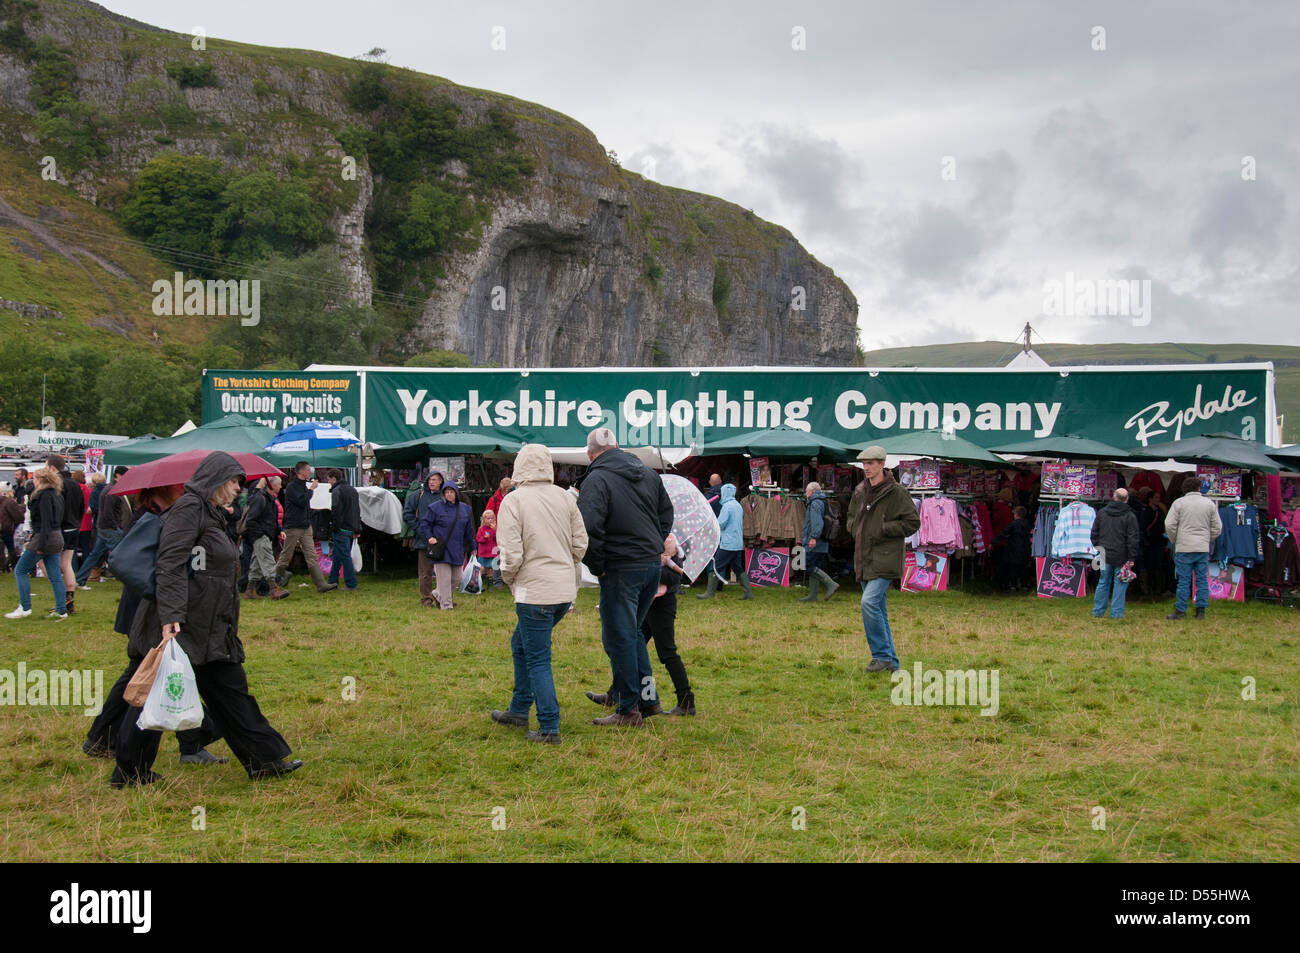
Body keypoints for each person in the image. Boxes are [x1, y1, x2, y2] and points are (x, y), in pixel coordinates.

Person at [111, 452, 301, 787]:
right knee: (153, 695)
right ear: (214, 479)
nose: (235, 489)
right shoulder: (188, 509)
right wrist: (170, 616)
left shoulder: (209, 513)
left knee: (231, 692)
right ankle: (130, 771)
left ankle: (264, 760)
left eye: (238, 483)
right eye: (232, 482)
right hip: (182, 622)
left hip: (210, 624)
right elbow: (169, 563)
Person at [83, 482, 227, 766]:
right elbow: (140, 563)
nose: (185, 490)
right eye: (179, 487)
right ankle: (191, 739)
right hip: (151, 606)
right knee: (150, 673)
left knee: (157, 670)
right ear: (163, 490)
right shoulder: (153, 518)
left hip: (157, 603)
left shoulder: (163, 515)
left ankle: (106, 738)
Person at [489, 444, 588, 742]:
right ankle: (519, 709)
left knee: (537, 658)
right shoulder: (565, 497)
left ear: (519, 466)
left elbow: (510, 552)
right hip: (562, 591)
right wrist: (562, 566)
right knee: (521, 644)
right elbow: (580, 544)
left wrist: (509, 578)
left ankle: (548, 726)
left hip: (534, 592)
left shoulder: (513, 501)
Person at [576, 427, 674, 726]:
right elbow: (666, 515)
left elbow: (588, 527)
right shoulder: (647, 473)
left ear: (591, 454)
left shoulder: (597, 478)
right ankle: (643, 699)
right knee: (630, 634)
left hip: (621, 566)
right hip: (649, 563)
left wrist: (598, 564)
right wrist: (653, 545)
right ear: (617, 446)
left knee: (620, 637)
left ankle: (629, 709)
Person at [587, 532, 696, 716]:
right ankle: (616, 693)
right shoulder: (647, 536)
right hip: (646, 602)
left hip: (662, 605)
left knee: (667, 652)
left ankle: (686, 701)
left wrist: (654, 568)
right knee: (630, 650)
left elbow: (676, 578)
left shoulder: (669, 541)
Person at [846, 446, 920, 673]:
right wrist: (855, 529)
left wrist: (883, 528)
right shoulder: (860, 490)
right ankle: (892, 663)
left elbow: (912, 523)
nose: (866, 468)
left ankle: (880, 656)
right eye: (864, 464)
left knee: (868, 603)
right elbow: (850, 518)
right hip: (864, 555)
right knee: (878, 609)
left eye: (870, 463)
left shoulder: (897, 492)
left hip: (886, 557)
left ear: (881, 464)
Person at [5, 466, 67, 620]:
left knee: (20, 570)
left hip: (44, 537)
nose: (32, 481)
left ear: (40, 480)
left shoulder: (43, 496)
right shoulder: (57, 494)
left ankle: (25, 607)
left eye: (34, 478)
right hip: (57, 536)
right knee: (55, 576)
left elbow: (45, 521)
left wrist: (40, 545)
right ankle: (61, 609)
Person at [1164, 475, 1223, 621]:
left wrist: (1175, 540)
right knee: (1202, 579)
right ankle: (1201, 610)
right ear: (1199, 487)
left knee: (1184, 580)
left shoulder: (1179, 503)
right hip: (1202, 547)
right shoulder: (1209, 503)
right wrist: (1208, 539)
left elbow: (1169, 524)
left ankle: (1181, 610)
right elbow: (1217, 527)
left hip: (1184, 546)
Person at [274, 461, 336, 593]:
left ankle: (321, 584)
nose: (310, 472)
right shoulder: (292, 487)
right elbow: (302, 501)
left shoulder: (302, 486)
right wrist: (312, 489)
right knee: (286, 556)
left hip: (305, 526)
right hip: (293, 526)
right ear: (301, 472)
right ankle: (273, 582)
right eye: (308, 470)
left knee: (311, 555)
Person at [418, 480, 475, 609]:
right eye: (446, 492)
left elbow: (469, 530)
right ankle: (446, 605)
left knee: (457, 577)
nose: (449, 494)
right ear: (443, 493)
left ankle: (437, 594)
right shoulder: (435, 507)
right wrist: (430, 537)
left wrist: (473, 546)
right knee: (444, 579)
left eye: (451, 492)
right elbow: (425, 524)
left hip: (457, 549)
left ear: (456, 493)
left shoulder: (465, 509)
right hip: (441, 549)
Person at [74, 467, 132, 588]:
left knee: (94, 555)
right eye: (124, 475)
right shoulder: (112, 490)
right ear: (117, 475)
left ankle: (80, 579)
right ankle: (131, 581)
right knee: (121, 554)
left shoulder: (110, 489)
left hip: (103, 527)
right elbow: (108, 512)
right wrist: (116, 527)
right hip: (109, 528)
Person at [1091, 487, 1141, 619]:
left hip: (1103, 552)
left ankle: (1098, 611)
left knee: (1103, 582)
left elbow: (1094, 533)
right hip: (1122, 554)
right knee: (1120, 582)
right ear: (1127, 499)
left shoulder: (1102, 512)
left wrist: (1098, 547)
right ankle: (1116, 613)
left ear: (1114, 497)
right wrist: (1131, 557)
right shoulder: (1130, 516)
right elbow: (1133, 538)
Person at [697, 483, 751, 599]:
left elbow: (720, 523)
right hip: (737, 543)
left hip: (728, 543)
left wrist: (711, 521)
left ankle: (709, 593)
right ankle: (748, 593)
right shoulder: (737, 505)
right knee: (737, 568)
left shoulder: (727, 507)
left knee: (715, 566)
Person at [47, 455, 84, 615]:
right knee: (67, 564)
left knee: (53, 564)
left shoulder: (57, 485)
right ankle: (69, 602)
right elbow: (82, 506)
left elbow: (55, 508)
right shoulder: (75, 484)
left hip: (60, 527)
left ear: (53, 468)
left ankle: (62, 602)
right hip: (74, 526)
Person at [402, 471, 445, 607]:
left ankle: (442, 597)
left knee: (442, 571)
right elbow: (407, 514)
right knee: (425, 571)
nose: (432, 482)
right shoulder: (418, 496)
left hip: (442, 539)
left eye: (436, 479)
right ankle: (426, 598)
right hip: (423, 539)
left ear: (441, 482)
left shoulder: (446, 496)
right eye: (430, 479)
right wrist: (420, 530)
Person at [244, 476, 289, 600]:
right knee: (269, 562)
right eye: (279, 484)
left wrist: (279, 531)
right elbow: (251, 520)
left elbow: (272, 519)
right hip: (261, 536)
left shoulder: (269, 499)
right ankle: (275, 590)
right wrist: (260, 534)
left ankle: (249, 591)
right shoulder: (260, 498)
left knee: (256, 565)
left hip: (265, 535)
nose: (281, 487)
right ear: (272, 485)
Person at [800, 481, 839, 602]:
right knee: (814, 566)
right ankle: (813, 595)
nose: (805, 493)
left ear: (812, 492)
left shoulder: (815, 503)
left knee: (808, 565)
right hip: (822, 541)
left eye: (806, 490)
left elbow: (817, 523)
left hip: (815, 541)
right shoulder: (822, 501)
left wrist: (813, 538)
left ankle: (831, 584)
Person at [325, 468, 361, 592]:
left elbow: (336, 511)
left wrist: (334, 527)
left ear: (334, 479)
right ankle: (332, 581)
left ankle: (351, 584)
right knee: (337, 556)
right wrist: (357, 529)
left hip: (341, 528)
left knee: (344, 557)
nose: (328, 482)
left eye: (329, 480)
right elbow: (357, 511)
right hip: (351, 528)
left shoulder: (336, 491)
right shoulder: (353, 490)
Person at [992, 505, 1032, 591]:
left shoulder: (1013, 524)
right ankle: (1024, 584)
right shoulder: (1027, 524)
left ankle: (1013, 585)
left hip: (1014, 548)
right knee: (1023, 567)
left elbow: (1004, 533)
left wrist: (993, 541)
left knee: (1013, 568)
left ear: (1016, 515)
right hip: (1026, 548)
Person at [476, 508, 503, 589]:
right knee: (481, 568)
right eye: (488, 518)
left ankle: (497, 583)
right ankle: (477, 583)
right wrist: (485, 538)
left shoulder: (496, 529)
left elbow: (499, 539)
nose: (490, 520)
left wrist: (495, 530)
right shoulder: (481, 529)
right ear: (484, 520)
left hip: (494, 552)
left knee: (496, 568)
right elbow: (478, 539)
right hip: (484, 553)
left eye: (492, 518)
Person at [0, 485, 24, 573]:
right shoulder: (9, 502)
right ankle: (14, 566)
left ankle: (3, 567)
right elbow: (18, 517)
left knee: (2, 549)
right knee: (11, 549)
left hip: (3, 527)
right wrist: (15, 525)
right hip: (8, 528)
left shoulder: (6, 502)